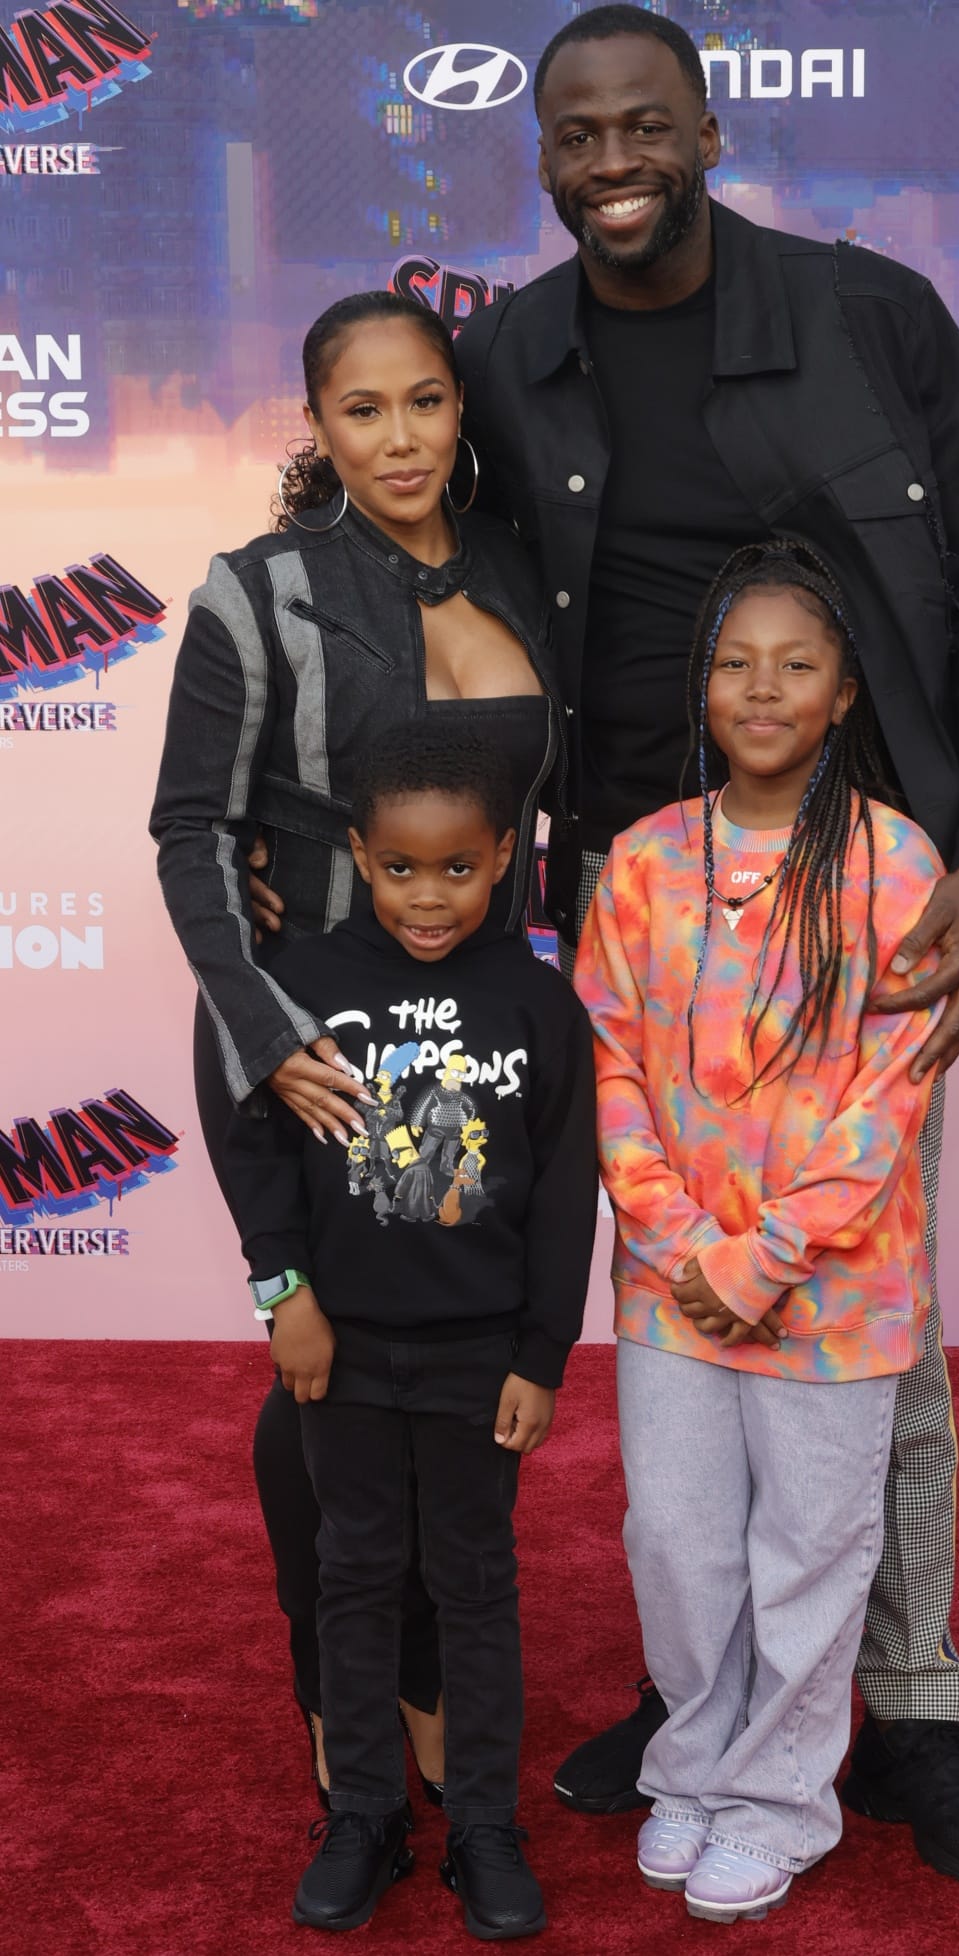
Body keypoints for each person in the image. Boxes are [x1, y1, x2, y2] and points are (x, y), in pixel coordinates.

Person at [454, 3, 959, 1887]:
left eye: (648, 125)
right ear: (545, 156)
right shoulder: (512, 354)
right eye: (578, 135)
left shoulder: (864, 318)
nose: (613, 160)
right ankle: (706, 1696)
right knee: (678, 1331)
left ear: (710, 134)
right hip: (635, 902)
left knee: (866, 1327)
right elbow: (439, 590)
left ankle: (915, 1708)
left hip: (862, 892)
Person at [149, 290, 564, 1807]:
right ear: (317, 428)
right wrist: (265, 1029)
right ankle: (346, 1699)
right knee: (317, 1374)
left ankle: (432, 1688)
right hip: (311, 1049)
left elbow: (540, 823)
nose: (401, 437)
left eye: (428, 403)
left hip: (479, 1041)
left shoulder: (529, 572)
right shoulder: (256, 592)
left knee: (447, 1377)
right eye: (364, 410)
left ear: (464, 410)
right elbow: (190, 827)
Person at [573, 541, 943, 1922]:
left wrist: (766, 1254)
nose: (764, 688)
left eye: (797, 665)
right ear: (703, 685)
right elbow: (611, 1063)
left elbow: (890, 1093)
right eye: (737, 664)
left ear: (844, 692)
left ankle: (783, 1799)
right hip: (673, 1286)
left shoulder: (894, 862)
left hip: (831, 1292)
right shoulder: (646, 862)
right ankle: (692, 1763)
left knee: (809, 1550)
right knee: (677, 1541)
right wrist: (683, 1245)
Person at [223, 726, 597, 1938]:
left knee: (478, 1589)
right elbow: (267, 1162)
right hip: (344, 1353)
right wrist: (288, 1299)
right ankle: (367, 1811)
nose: (427, 897)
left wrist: (543, 1356)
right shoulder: (306, 983)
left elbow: (562, 1197)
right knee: (355, 1579)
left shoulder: (540, 1002)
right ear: (359, 855)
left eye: (455, 869)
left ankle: (484, 1821)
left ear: (504, 860)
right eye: (398, 870)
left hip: (481, 1360)